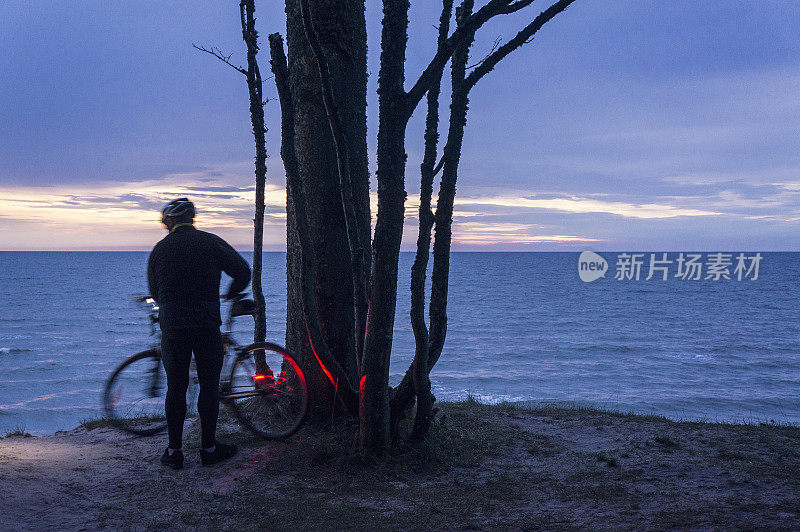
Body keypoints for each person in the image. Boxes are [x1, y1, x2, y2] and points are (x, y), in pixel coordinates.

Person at [147, 198, 251, 470]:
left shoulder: (160, 249)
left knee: (176, 387)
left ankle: (174, 452)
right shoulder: (210, 241)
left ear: (169, 223)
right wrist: (230, 293)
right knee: (209, 385)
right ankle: (209, 449)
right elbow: (242, 270)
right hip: (206, 323)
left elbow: (155, 291)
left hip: (173, 327)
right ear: (193, 219)